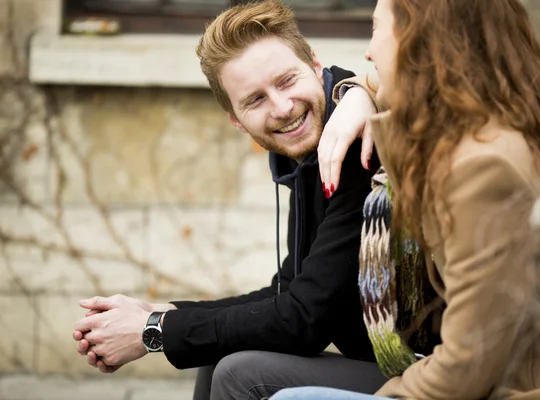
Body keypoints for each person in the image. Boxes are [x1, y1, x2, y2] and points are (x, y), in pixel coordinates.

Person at [71, 1, 407, 399]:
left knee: (239, 371)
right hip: (381, 366)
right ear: (235, 117)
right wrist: (160, 316)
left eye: (286, 81)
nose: (282, 108)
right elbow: (289, 289)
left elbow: (306, 319)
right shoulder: (306, 158)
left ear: (315, 63)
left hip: (425, 371)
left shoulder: (356, 147)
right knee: (218, 352)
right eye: (255, 100)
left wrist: (154, 332)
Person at [272, 0, 540, 399]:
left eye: (375, 28)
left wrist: (387, 395)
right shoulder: (498, 119)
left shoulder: (480, 166)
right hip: (486, 373)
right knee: (241, 370)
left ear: (418, 39)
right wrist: (356, 93)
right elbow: (375, 79)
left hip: (520, 388)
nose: (368, 51)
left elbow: (468, 362)